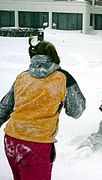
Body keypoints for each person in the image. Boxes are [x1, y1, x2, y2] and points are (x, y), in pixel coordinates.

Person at [0, 37, 86, 180]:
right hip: (36, 144)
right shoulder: (63, 78)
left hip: (11, 139)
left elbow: (4, 107)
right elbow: (76, 111)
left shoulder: (23, 76)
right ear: (54, 57)